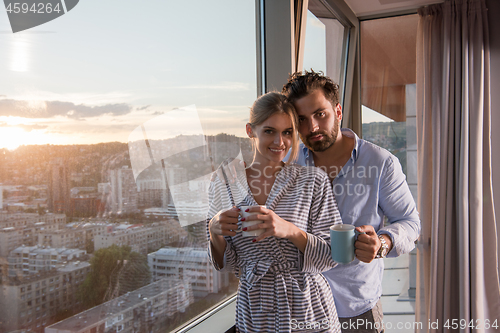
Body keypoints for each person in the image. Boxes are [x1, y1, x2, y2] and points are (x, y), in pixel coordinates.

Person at [282, 71, 421, 333]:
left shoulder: (381, 163)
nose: (312, 127)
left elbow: (411, 223)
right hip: (301, 308)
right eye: (301, 119)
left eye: (320, 114)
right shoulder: (288, 163)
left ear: (338, 111)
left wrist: (382, 243)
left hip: (356, 309)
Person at [207, 92, 343, 333]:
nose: (280, 142)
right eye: (269, 131)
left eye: (288, 132)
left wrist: (289, 230)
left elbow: (331, 257)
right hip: (256, 312)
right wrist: (214, 231)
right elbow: (228, 265)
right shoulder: (223, 184)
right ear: (251, 130)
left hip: (309, 308)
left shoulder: (313, 181)